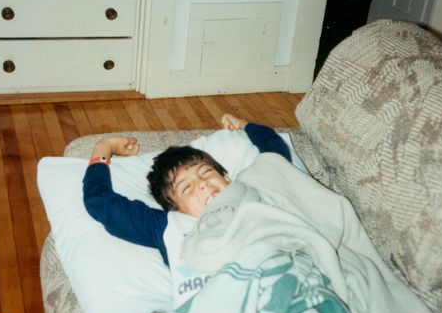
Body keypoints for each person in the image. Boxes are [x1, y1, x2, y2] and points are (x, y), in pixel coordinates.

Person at [82, 113, 291, 267]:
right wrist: (103, 148)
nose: (201, 183)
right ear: (174, 208)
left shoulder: (253, 189)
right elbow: (100, 203)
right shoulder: (166, 227)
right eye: (186, 187)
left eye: (206, 173)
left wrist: (245, 125)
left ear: (226, 176)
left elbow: (275, 154)